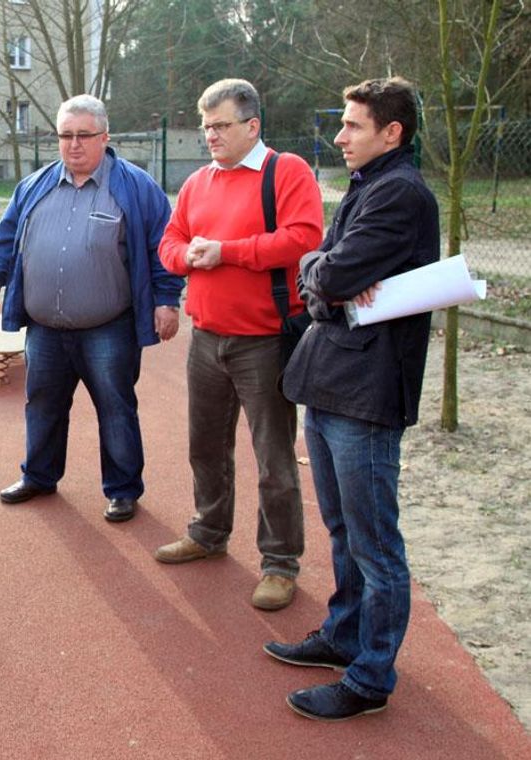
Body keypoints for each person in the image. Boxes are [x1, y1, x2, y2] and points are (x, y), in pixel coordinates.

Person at [264, 77, 439, 721]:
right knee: (343, 529)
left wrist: (322, 272)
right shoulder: (371, 184)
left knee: (374, 543)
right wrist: (323, 272)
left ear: (391, 132)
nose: (339, 136)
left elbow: (330, 272)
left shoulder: (400, 194)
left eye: (353, 125)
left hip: (367, 392)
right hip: (335, 378)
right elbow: (326, 271)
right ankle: (344, 635)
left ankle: (370, 677)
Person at [155, 79, 324, 611]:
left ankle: (279, 562)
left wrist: (226, 252)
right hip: (207, 336)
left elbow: (304, 238)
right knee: (205, 445)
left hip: (265, 340)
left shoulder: (286, 171)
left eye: (221, 125)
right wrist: (189, 258)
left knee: (273, 457)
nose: (211, 135)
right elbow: (169, 244)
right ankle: (208, 532)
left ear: (253, 126)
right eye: (206, 126)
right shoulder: (198, 182)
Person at [0, 94, 182, 523]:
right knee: (43, 404)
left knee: (115, 407)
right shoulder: (33, 186)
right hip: (45, 328)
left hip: (107, 326)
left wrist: (167, 300)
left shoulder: (136, 186)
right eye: (65, 136)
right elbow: (6, 240)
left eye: (83, 135)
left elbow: (162, 248)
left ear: (105, 137)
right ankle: (39, 475)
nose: (74, 145)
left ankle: (123, 489)